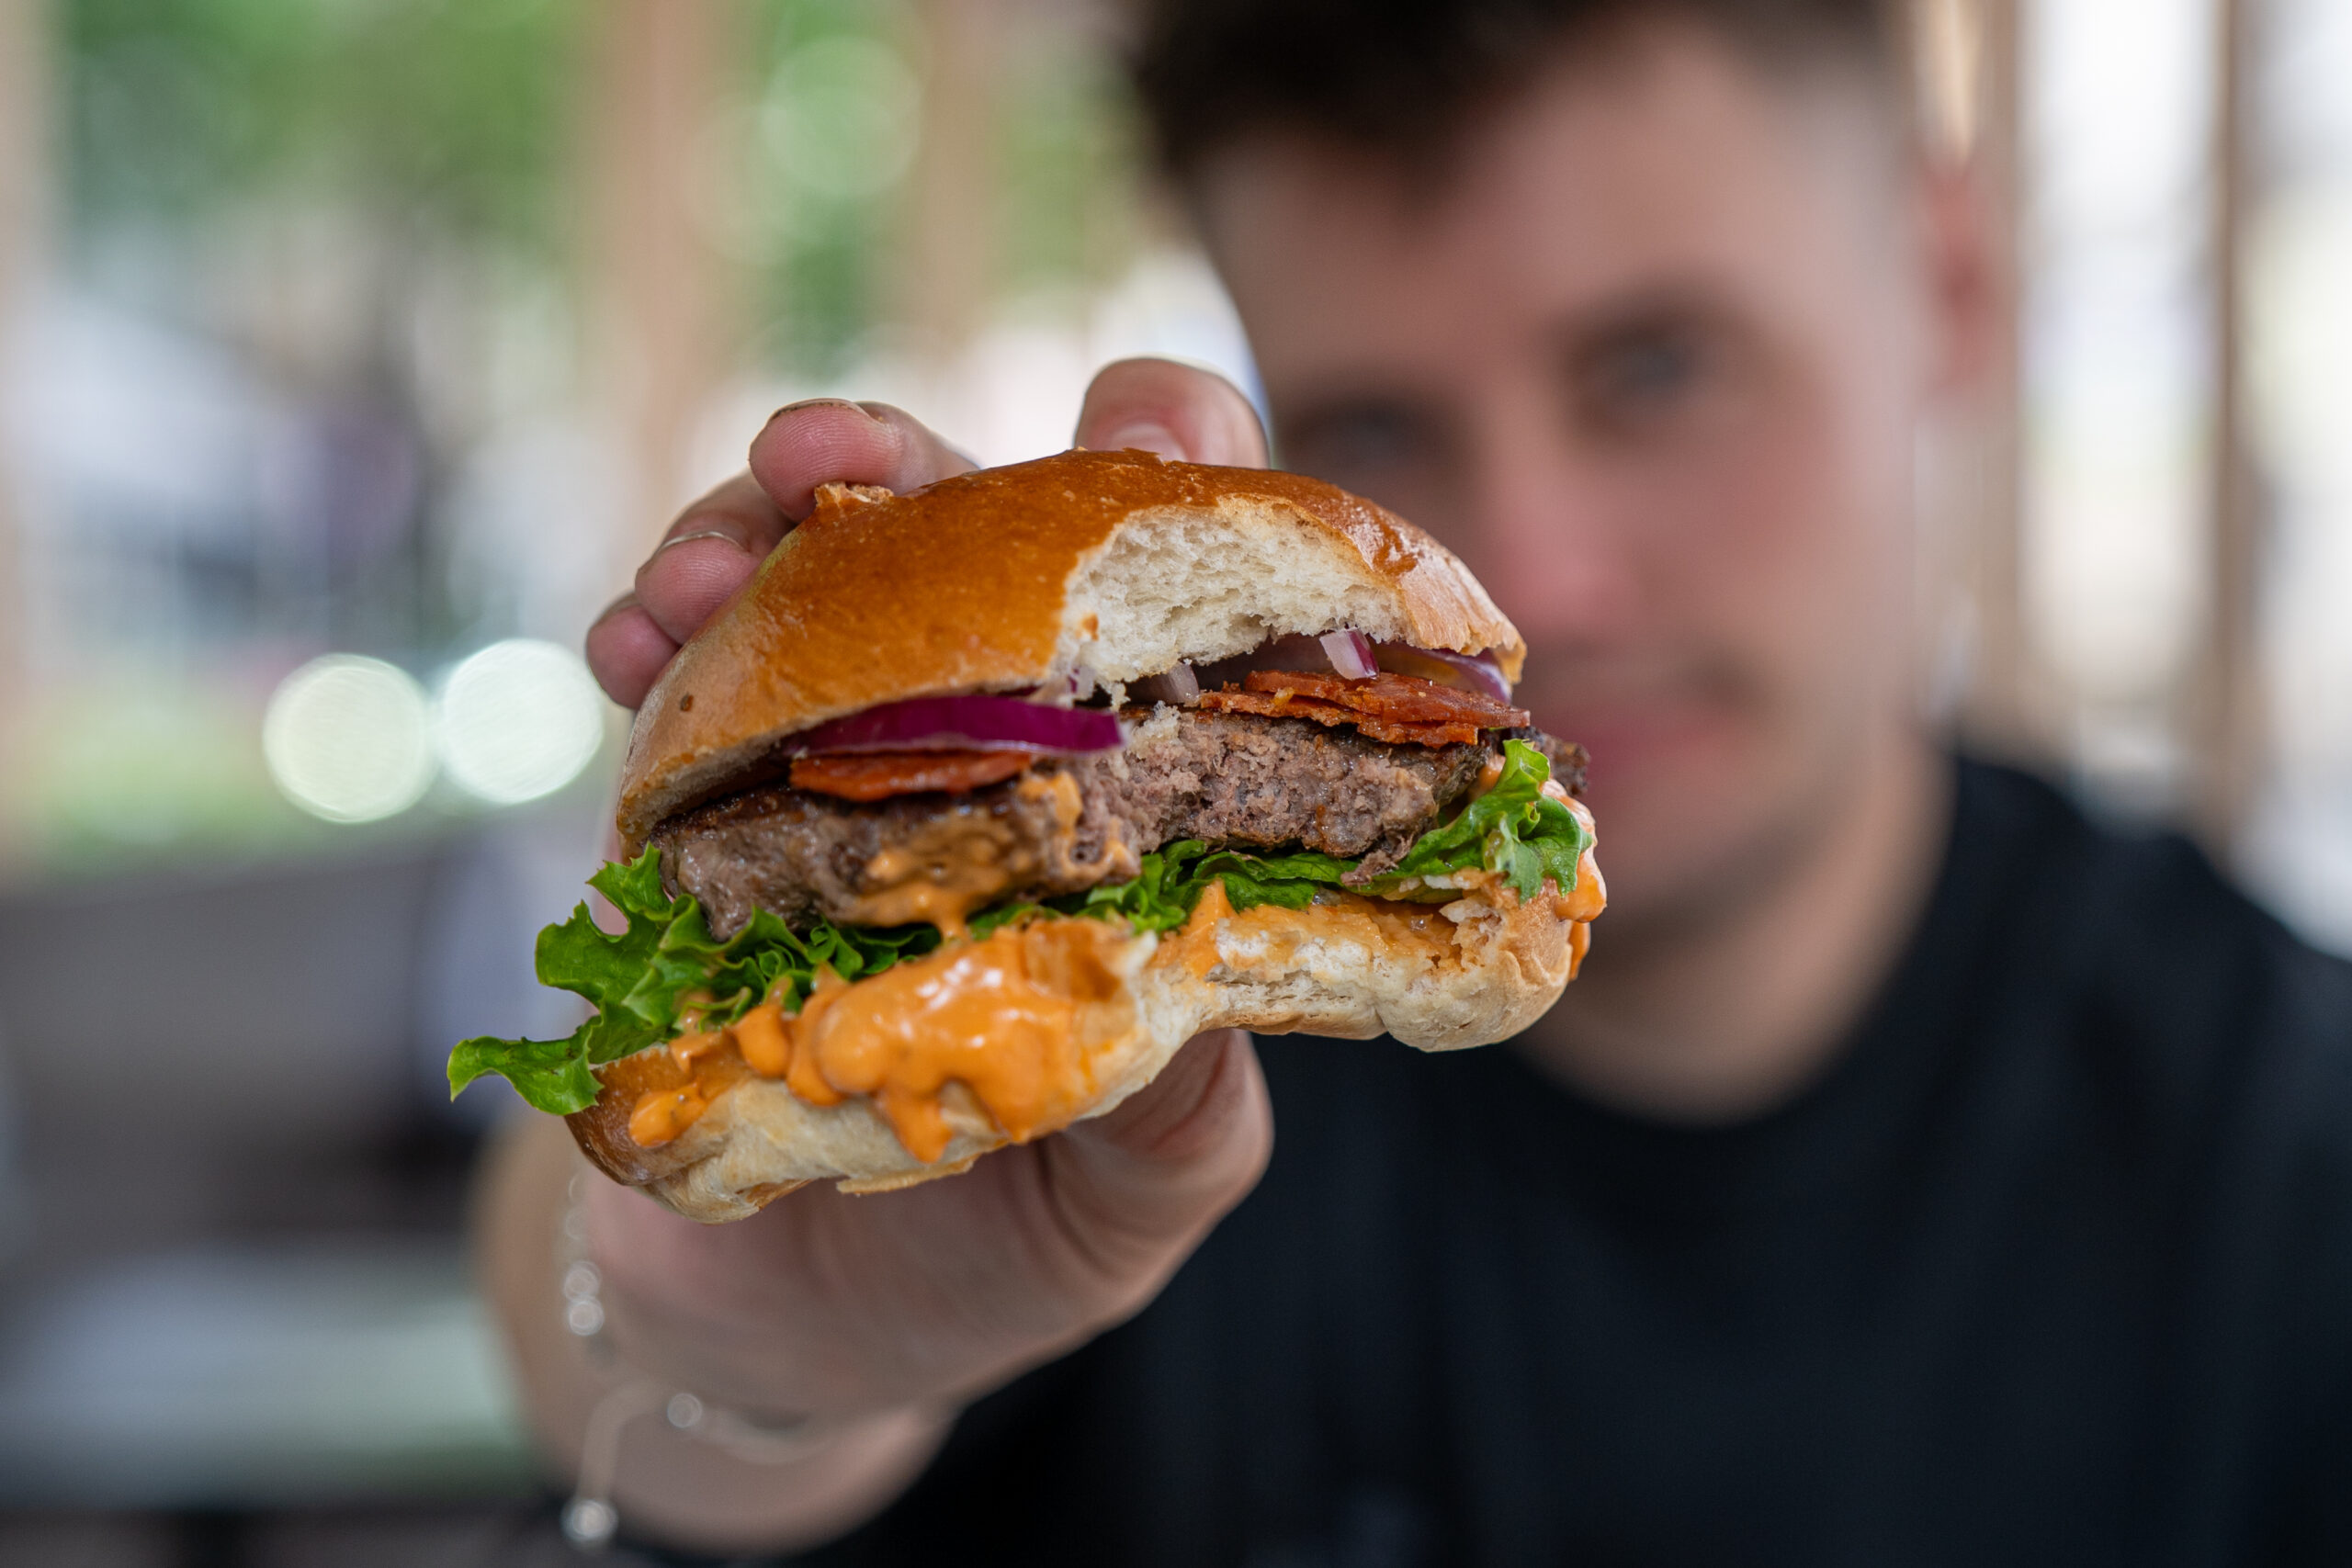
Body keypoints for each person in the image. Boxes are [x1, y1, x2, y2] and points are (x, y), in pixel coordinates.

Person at [476, 1, 2352, 1562]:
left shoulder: (2283, 1131)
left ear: (1944, 286)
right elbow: (593, 1350)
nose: (1533, 566)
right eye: (1371, 424)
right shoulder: (1080, 1114)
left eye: (1655, 367)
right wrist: (765, 1352)